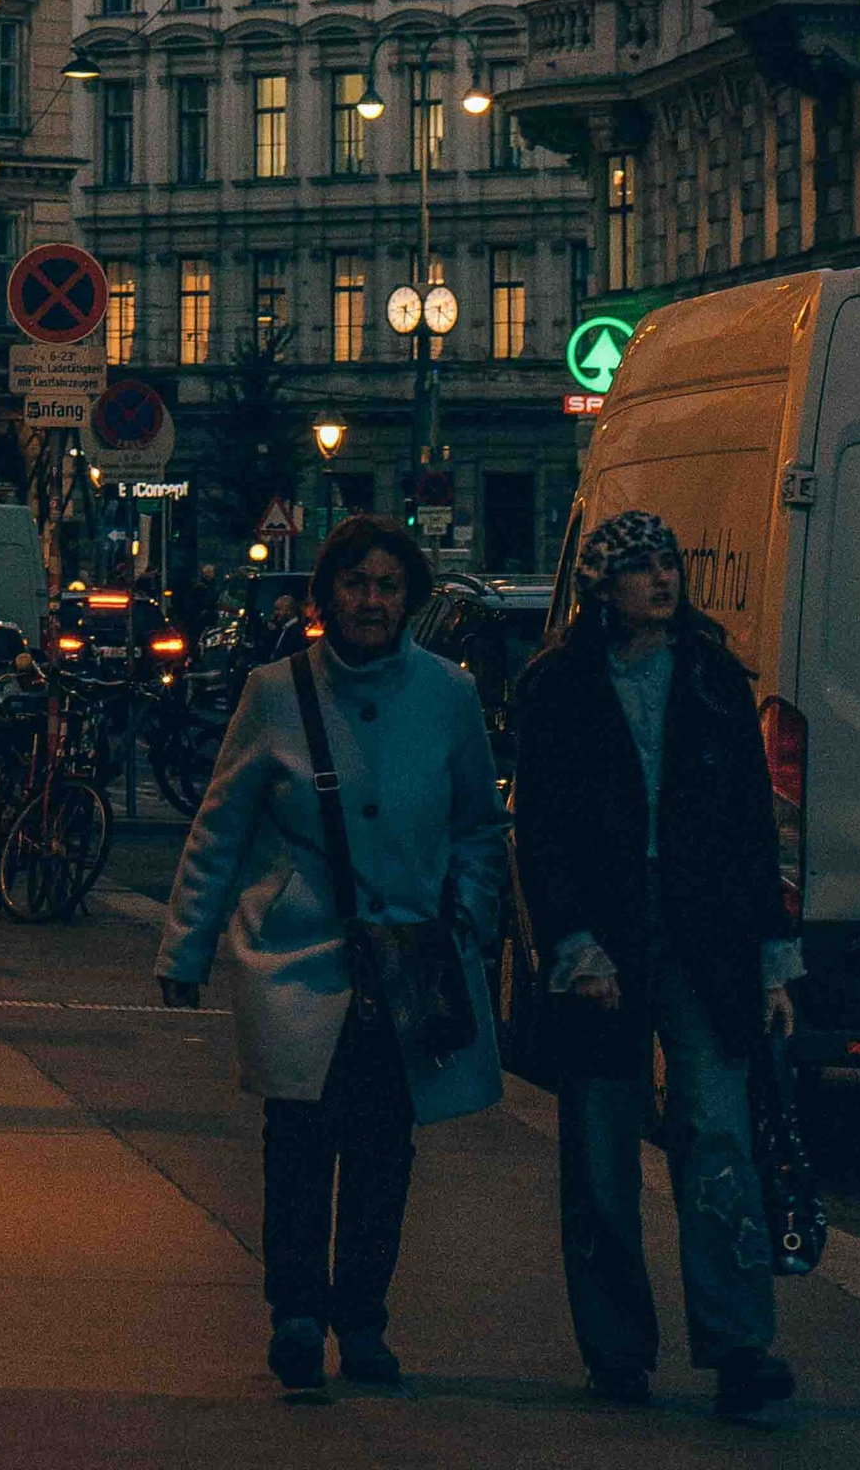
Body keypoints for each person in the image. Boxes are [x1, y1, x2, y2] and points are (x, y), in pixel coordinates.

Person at [155, 514, 507, 1398]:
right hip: (300, 959)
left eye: (389, 585)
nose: (372, 600)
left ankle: (365, 1320)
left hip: (410, 958)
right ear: (327, 596)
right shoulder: (276, 692)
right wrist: (186, 947)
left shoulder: (449, 695)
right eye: (356, 583)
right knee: (301, 1142)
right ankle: (297, 1315)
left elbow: (478, 825)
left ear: (411, 598)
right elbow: (221, 828)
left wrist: (465, 914)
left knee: (385, 1148)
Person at [509, 508, 801, 1419]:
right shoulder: (560, 686)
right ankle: (617, 1349)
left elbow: (752, 828)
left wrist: (773, 956)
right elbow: (543, 831)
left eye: (668, 563)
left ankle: (740, 1343)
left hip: (704, 931)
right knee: (599, 1147)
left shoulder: (712, 676)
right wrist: (570, 944)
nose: (662, 581)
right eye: (640, 569)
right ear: (603, 589)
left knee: (716, 1135)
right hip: (604, 932)